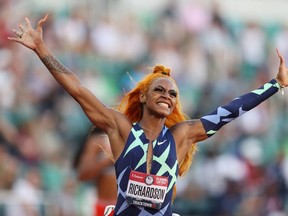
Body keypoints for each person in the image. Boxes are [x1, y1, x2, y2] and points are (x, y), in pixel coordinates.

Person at [8, 15, 288, 216]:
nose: (168, 95)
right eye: (160, 89)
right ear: (143, 96)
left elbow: (227, 112)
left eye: (173, 93)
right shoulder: (122, 130)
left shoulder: (182, 136)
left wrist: (275, 85)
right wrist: (42, 49)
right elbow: (78, 90)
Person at [73, 127, 117, 216]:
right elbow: (82, 175)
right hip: (105, 207)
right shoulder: (98, 141)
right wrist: (108, 159)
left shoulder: (136, 139)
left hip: (132, 206)